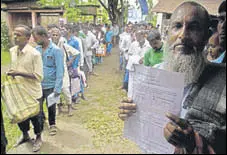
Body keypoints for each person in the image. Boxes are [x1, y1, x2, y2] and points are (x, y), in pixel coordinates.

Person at [119, 1, 226, 154]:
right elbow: (141, 119)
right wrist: (128, 112)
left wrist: (192, 143)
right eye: (177, 26)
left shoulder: (222, 82)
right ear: (168, 33)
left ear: (206, 36)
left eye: (193, 27)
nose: (183, 35)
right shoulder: (154, 73)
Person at [7, 25, 44, 152]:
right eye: (14, 34)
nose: (15, 37)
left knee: (36, 118)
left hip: (33, 92)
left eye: (18, 35)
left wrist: (18, 73)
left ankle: (38, 137)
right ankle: (25, 135)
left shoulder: (35, 54)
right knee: (20, 116)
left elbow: (38, 76)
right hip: (18, 91)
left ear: (27, 38)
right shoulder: (12, 51)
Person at [32, 26, 64, 136]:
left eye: (36, 38)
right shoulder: (36, 50)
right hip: (38, 85)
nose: (35, 41)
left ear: (44, 36)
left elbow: (60, 70)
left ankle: (52, 124)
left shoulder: (56, 50)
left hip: (51, 85)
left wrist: (58, 88)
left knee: (51, 106)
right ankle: (42, 123)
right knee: (38, 108)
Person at [50, 27, 80, 116]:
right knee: (55, 91)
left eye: (57, 35)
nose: (55, 37)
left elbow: (76, 53)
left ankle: (69, 107)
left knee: (66, 90)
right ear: (50, 36)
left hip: (63, 72)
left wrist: (70, 62)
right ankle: (59, 107)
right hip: (53, 72)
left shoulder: (63, 45)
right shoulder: (49, 46)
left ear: (60, 36)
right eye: (53, 35)